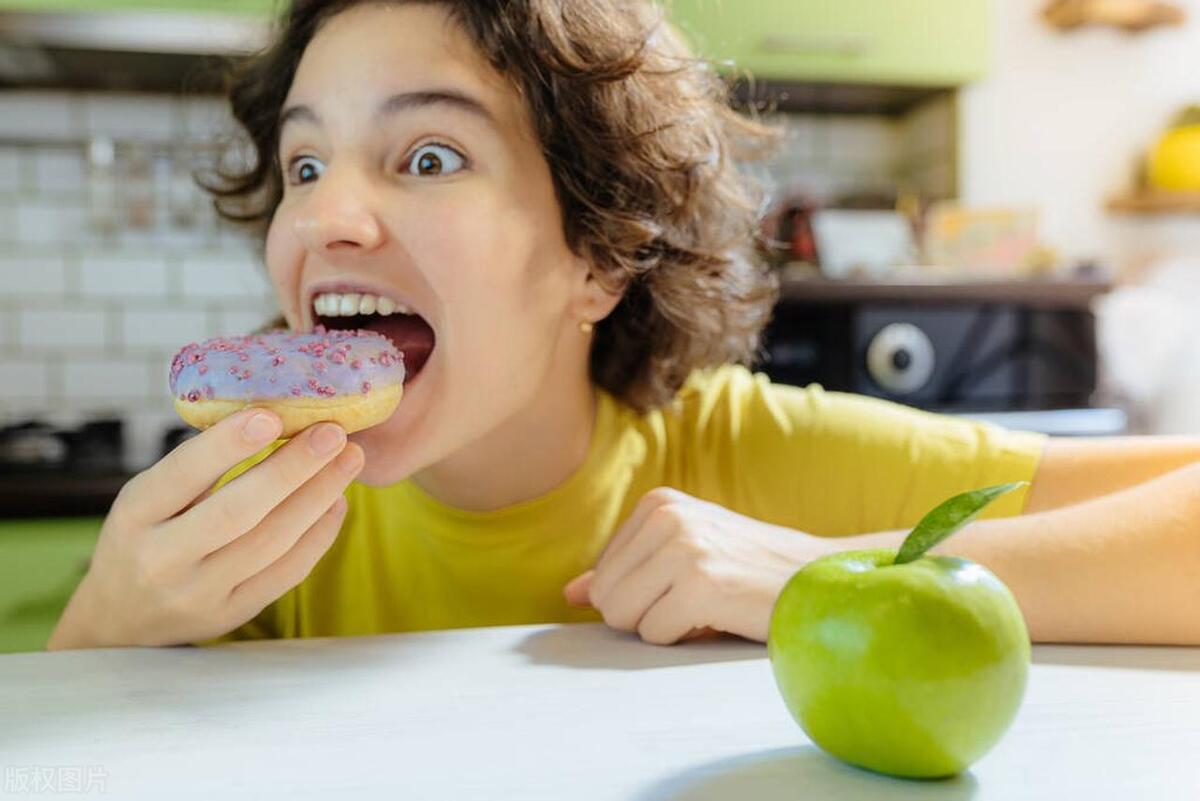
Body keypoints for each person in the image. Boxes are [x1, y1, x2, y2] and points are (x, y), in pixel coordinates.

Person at [48, 0, 1200, 651]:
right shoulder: (254, 539)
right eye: (305, 162)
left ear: (596, 258)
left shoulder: (750, 460)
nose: (325, 217)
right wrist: (107, 622)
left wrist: (824, 574)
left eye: (431, 155)